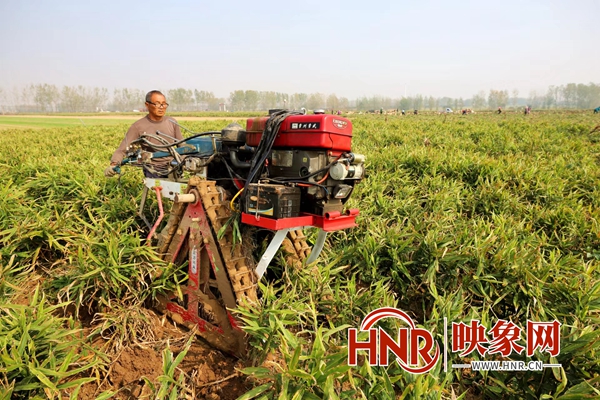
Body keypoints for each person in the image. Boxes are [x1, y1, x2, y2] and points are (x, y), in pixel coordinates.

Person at [104, 90, 183, 178]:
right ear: (147, 105)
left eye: (164, 104)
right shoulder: (138, 126)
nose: (161, 107)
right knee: (160, 190)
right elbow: (123, 149)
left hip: (173, 167)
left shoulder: (172, 122)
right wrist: (114, 164)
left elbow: (182, 146)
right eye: (157, 103)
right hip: (153, 169)